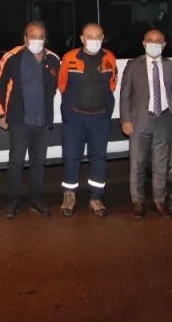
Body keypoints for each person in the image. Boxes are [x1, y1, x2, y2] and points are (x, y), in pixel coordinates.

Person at [0, 21, 61, 218]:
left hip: (43, 122)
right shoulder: (12, 57)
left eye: (41, 37)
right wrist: (2, 114)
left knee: (38, 163)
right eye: (33, 37)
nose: (37, 41)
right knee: (16, 162)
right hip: (19, 121)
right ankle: (12, 202)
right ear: (25, 39)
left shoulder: (53, 59)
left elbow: (54, 88)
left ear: (45, 39)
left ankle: (36, 199)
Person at [120, 29, 172, 219]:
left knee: (161, 164)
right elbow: (125, 96)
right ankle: (138, 202)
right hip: (140, 120)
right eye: (150, 40)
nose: (154, 44)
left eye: (158, 41)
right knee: (138, 163)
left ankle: (160, 201)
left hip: (164, 119)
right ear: (144, 43)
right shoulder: (133, 65)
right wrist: (126, 120)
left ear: (164, 45)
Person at [58, 23, 117, 217]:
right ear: (82, 39)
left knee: (99, 158)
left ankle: (96, 198)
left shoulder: (109, 58)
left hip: (99, 118)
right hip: (75, 118)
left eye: (98, 37)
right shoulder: (69, 58)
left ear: (103, 38)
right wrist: (69, 110)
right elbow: (62, 84)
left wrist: (105, 111)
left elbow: (112, 83)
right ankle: (69, 196)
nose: (94, 41)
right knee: (71, 158)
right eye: (90, 37)